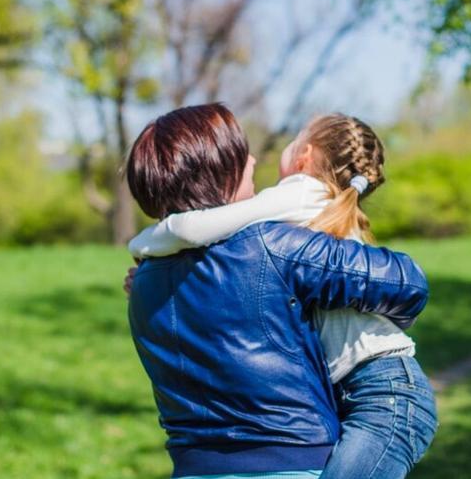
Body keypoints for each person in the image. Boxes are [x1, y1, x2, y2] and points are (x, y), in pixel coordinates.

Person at [124, 104, 430, 478]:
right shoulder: (271, 243)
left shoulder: (144, 278)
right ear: (221, 167)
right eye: (241, 151)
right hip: (292, 457)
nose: (253, 158)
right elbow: (406, 282)